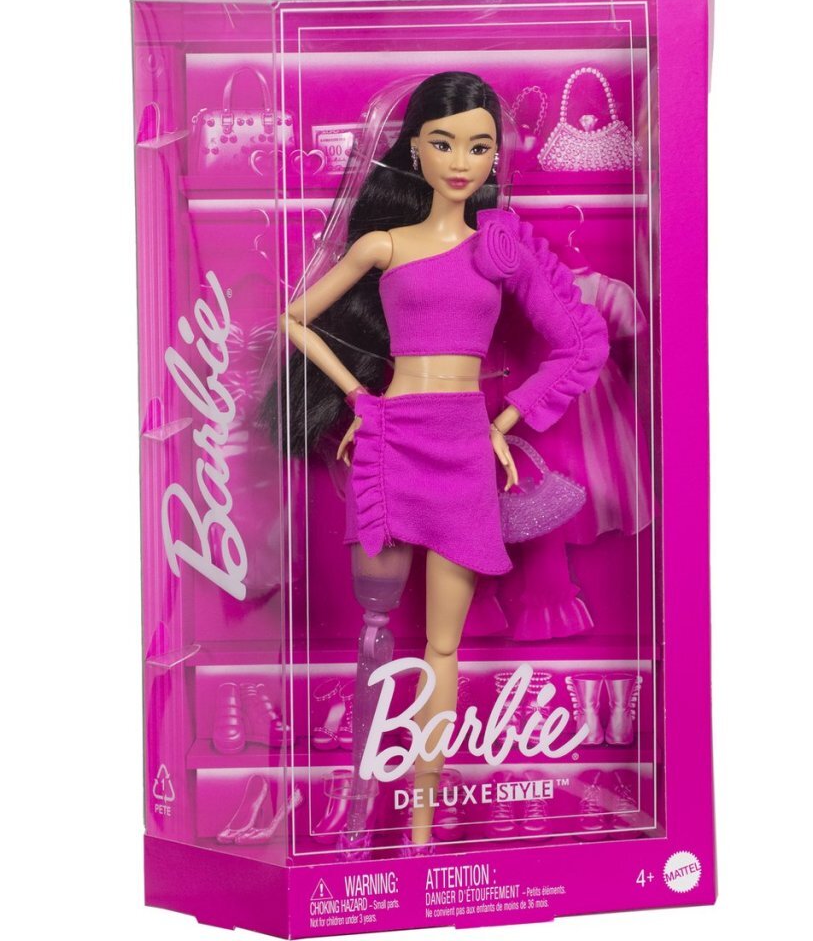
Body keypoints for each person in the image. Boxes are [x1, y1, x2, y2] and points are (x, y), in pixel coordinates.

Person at [258, 70, 609, 854]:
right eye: (444, 143)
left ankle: (420, 831)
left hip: (461, 446)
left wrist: (505, 421)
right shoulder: (384, 244)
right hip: (390, 442)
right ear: (413, 148)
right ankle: (356, 811)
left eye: (479, 147)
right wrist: (359, 397)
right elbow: (294, 317)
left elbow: (581, 342)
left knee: (442, 646)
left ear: (495, 157)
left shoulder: (500, 248)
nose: (461, 161)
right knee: (375, 627)